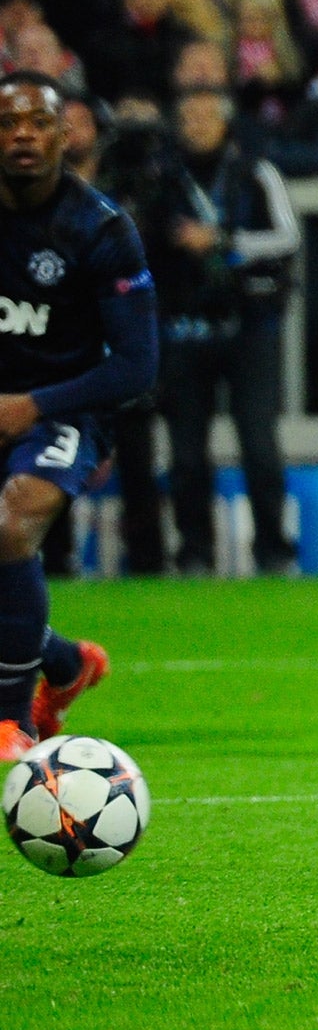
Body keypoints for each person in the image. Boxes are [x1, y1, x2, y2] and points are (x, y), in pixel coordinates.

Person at [0, 73, 155, 756]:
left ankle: (11, 719)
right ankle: (63, 664)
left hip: (61, 410)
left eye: (37, 122)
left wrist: (33, 404)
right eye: (8, 124)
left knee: (14, 518)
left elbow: (136, 365)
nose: (22, 135)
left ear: (66, 137)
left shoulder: (100, 229)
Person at [142, 80, 298, 575]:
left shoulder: (255, 173)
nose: (198, 127)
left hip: (248, 323)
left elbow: (287, 237)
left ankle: (272, 550)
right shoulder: (160, 178)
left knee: (260, 446)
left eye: (207, 118)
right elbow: (142, 243)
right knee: (186, 453)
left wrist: (223, 239)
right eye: (189, 119)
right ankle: (194, 553)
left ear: (225, 124)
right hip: (184, 326)